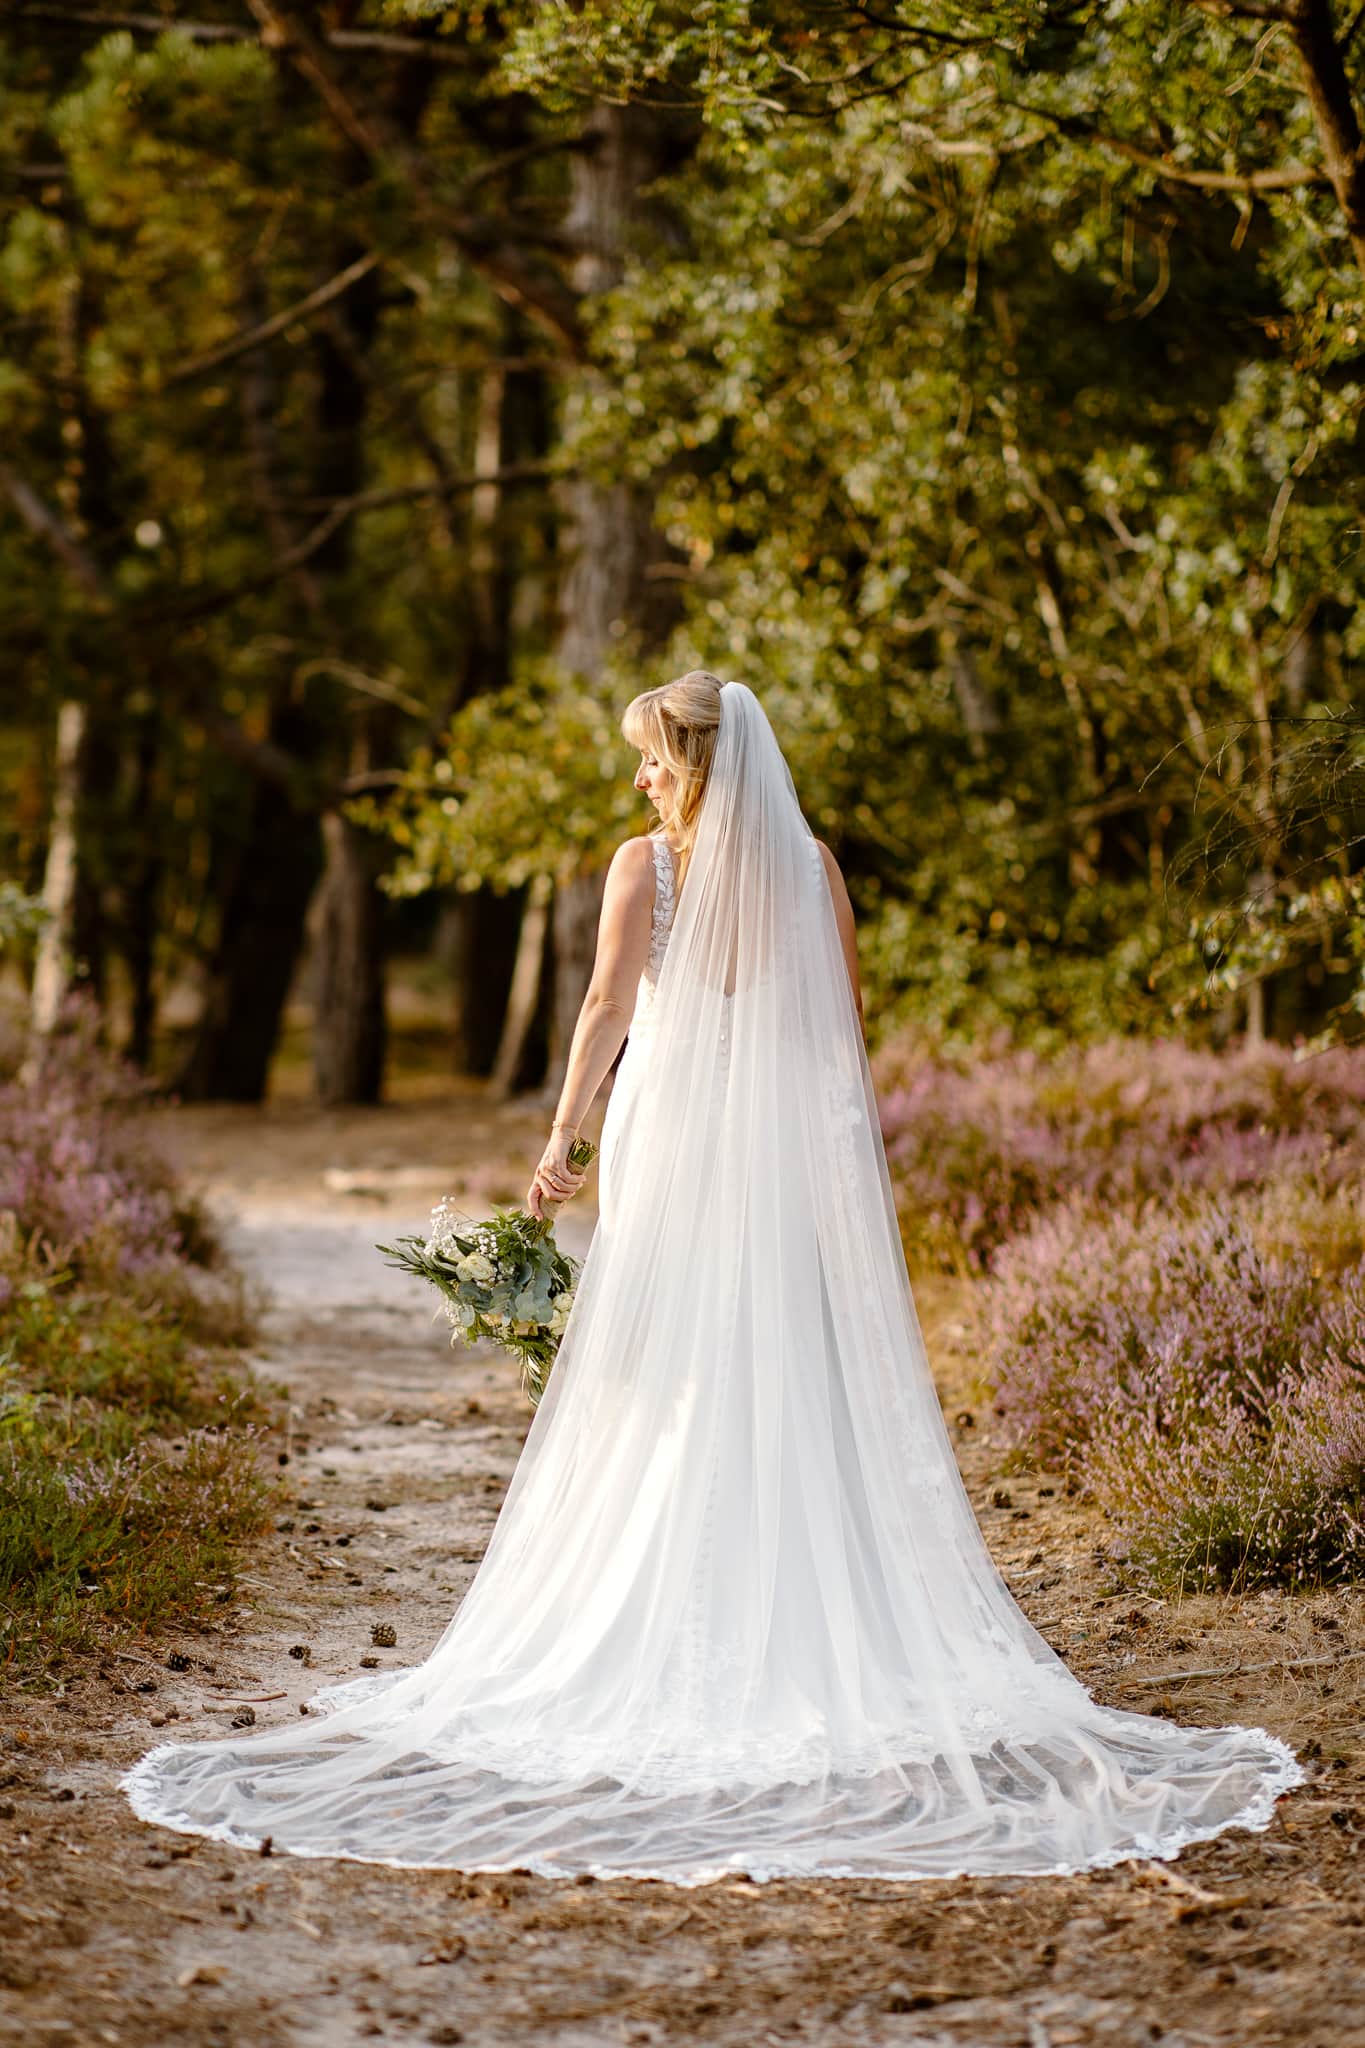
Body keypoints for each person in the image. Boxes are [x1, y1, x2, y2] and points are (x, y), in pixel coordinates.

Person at [124, 672, 1302, 1884]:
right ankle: (790, 1597)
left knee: (675, 1363)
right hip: (780, 1148)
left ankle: (677, 1601)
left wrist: (562, 1141)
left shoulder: (648, 866)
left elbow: (601, 1008)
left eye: (649, 758)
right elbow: (842, 1020)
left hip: (678, 1136)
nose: (638, 778)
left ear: (690, 763)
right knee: (779, 1350)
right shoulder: (816, 868)